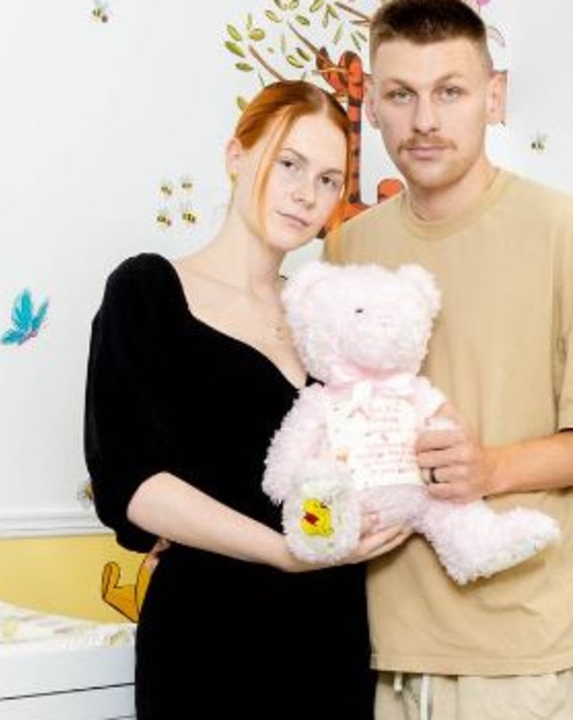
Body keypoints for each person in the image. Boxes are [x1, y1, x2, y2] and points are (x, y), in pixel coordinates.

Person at [324, 1, 573, 717]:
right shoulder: (350, 248)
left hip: (517, 649)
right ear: (374, 108)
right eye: (400, 94)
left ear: (494, 97)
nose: (424, 120)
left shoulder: (565, 232)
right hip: (376, 639)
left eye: (449, 91)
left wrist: (492, 470)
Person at [84, 80, 410, 719]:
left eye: (326, 180)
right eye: (288, 163)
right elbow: (131, 480)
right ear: (237, 155)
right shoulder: (148, 291)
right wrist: (282, 552)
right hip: (210, 635)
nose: (304, 193)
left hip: (331, 630)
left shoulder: (327, 316)